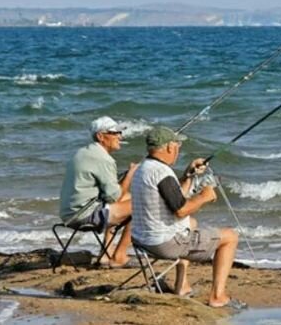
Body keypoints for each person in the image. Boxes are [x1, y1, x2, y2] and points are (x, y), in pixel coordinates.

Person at [131, 126, 244, 309]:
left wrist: (187, 175)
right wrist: (204, 197)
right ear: (169, 147)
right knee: (230, 237)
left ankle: (182, 286)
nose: (178, 149)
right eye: (177, 145)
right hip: (164, 243)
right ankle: (218, 296)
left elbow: (175, 199)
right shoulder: (162, 172)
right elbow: (181, 210)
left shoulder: (144, 168)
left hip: (142, 240)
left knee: (191, 223)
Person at [59, 116, 136, 267]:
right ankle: (119, 256)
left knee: (129, 197)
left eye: (119, 133)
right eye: (115, 133)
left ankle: (105, 254)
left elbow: (111, 196)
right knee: (142, 205)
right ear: (101, 136)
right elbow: (115, 197)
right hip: (83, 216)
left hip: (69, 214)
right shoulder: (103, 159)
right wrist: (130, 175)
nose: (119, 136)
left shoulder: (83, 152)